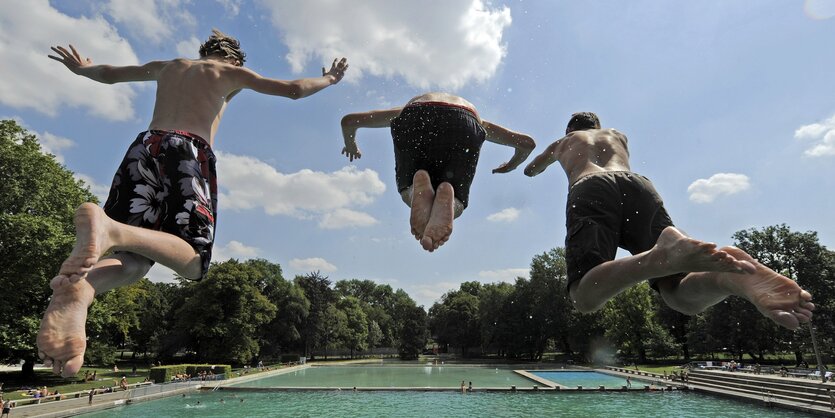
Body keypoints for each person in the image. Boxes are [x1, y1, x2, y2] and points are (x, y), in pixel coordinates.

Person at [37, 29, 348, 378]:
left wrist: (81, 70)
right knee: (193, 262)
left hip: (143, 149)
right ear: (232, 59)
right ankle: (110, 231)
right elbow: (293, 90)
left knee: (135, 265)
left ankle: (83, 288)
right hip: (187, 153)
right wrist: (329, 78)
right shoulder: (229, 72)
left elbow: (110, 74)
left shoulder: (169, 66)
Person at [524, 112, 814, 330]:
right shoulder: (617, 135)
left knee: (584, 297)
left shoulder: (564, 142)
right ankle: (727, 278)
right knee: (678, 294)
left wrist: (532, 166)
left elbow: (532, 169)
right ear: (598, 128)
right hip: (639, 186)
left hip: (591, 187)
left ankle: (659, 258)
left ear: (569, 130)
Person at [340, 92, 535, 251]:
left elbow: (349, 121)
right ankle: (450, 199)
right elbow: (527, 144)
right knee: (457, 200)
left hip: (415, 116)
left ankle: (415, 191)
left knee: (407, 186)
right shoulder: (480, 121)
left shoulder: (404, 110)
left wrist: (351, 145)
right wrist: (512, 165)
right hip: (465, 121)